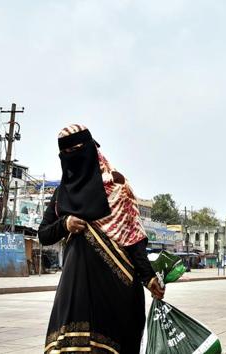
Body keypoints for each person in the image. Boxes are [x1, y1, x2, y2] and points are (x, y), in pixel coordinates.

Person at [38, 124, 164, 354]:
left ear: (90, 148)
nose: (73, 158)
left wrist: (149, 277)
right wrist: (65, 224)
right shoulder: (62, 193)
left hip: (117, 290)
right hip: (77, 291)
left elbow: (134, 239)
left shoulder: (117, 185)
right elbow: (44, 234)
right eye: (67, 154)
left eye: (77, 150)